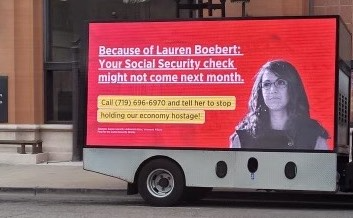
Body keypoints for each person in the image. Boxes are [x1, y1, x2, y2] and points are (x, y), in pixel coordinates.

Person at [229, 60, 329, 150]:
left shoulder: (313, 138)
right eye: (267, 84)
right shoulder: (242, 139)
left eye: (280, 82)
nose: (273, 90)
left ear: (293, 88)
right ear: (260, 91)